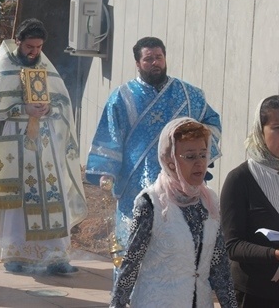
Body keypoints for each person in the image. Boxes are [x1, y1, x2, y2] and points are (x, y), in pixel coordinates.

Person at [85, 36, 222, 249]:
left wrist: (200, 155)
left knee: (178, 239)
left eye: (159, 57)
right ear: (138, 63)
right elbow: (110, 134)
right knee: (134, 240)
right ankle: (129, 281)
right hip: (135, 177)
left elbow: (210, 122)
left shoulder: (188, 94)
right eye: (148, 59)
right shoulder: (122, 97)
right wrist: (106, 171)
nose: (155, 63)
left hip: (179, 177)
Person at [0, 18, 87, 274]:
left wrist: (51, 108)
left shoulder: (45, 68)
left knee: (51, 197)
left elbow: (64, 106)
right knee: (16, 204)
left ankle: (56, 256)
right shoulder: (2, 69)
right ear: (18, 42)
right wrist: (21, 109)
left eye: (38, 47)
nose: (34, 52)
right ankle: (15, 255)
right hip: (12, 147)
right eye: (29, 46)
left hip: (45, 146)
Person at [111, 117, 236, 307]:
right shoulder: (151, 203)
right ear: (169, 160)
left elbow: (219, 265)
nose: (200, 163)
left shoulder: (209, 201)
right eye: (190, 156)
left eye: (203, 155)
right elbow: (131, 264)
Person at [221, 95, 279, 306]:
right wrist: (273, 254)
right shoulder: (240, 179)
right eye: (277, 127)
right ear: (260, 131)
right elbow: (233, 245)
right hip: (255, 293)